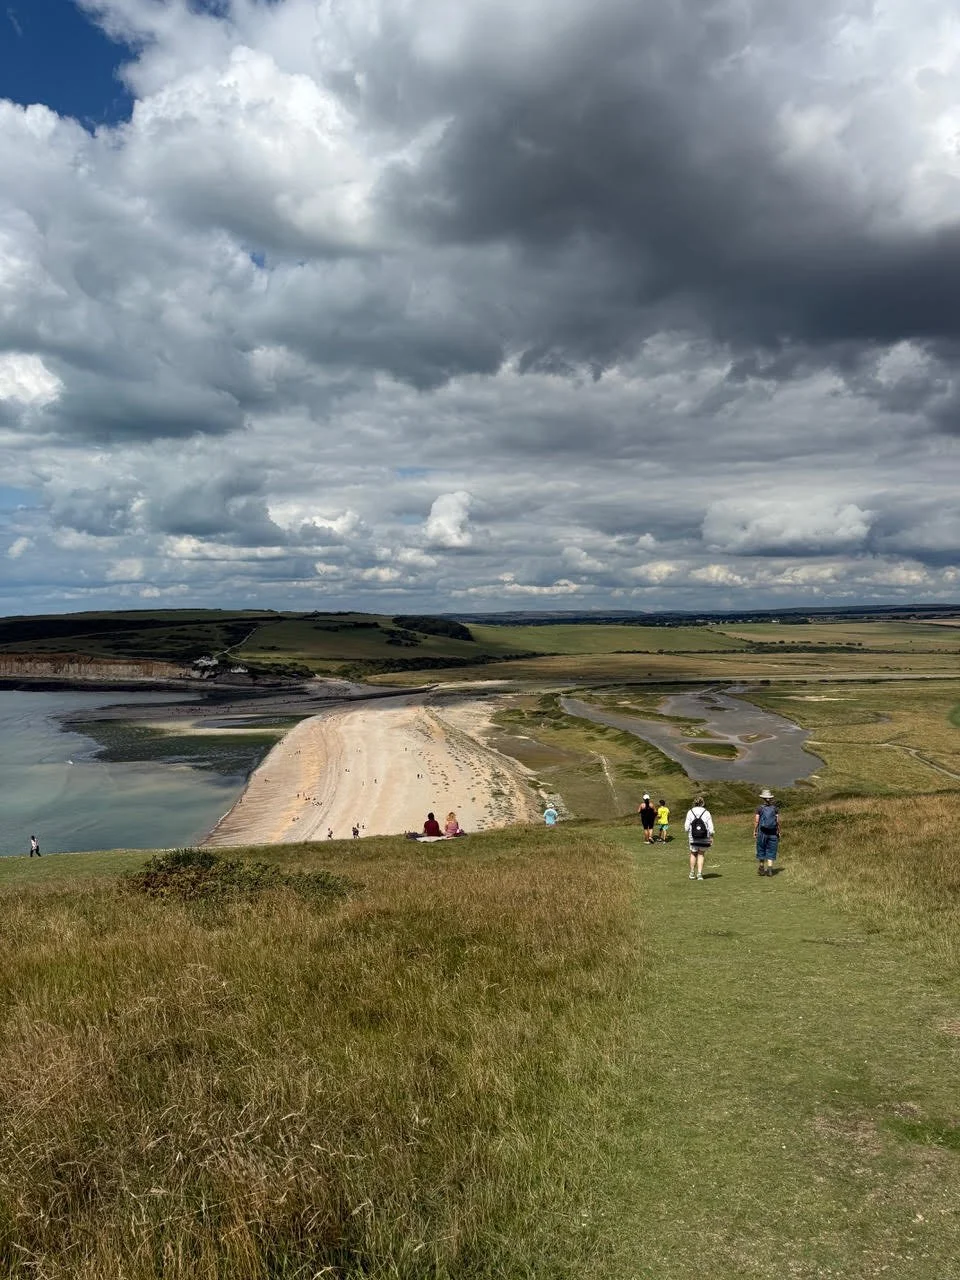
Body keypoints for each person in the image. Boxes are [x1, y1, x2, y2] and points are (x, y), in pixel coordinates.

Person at [683, 795, 714, 881]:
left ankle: (692, 872)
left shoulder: (690, 812)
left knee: (693, 853)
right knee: (701, 854)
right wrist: (711, 836)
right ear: (703, 803)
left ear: (695, 803)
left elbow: (686, 827)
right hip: (704, 836)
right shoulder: (707, 812)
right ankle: (699, 874)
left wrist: (689, 831)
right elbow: (710, 826)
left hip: (693, 836)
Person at [754, 788, 780, 876]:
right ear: (770, 798)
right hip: (773, 833)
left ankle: (761, 867)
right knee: (771, 850)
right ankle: (769, 870)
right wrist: (778, 831)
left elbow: (757, 821)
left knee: (761, 848)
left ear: (763, 798)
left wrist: (755, 831)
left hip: (762, 832)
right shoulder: (775, 808)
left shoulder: (759, 808)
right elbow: (777, 821)